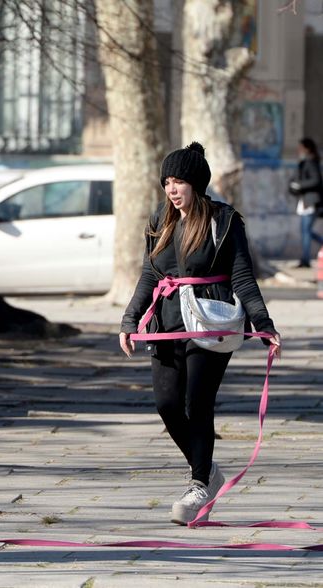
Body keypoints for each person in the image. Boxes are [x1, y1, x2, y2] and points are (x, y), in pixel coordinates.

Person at [118, 142, 281, 525]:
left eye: (179, 182)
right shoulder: (160, 219)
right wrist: (130, 320)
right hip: (167, 323)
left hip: (210, 321)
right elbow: (149, 274)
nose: (172, 190)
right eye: (168, 182)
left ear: (197, 183)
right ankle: (206, 469)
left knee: (197, 403)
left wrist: (263, 323)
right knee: (167, 404)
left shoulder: (224, 221)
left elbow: (242, 275)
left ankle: (197, 486)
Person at [289, 137, 323, 267]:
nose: (298, 150)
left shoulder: (311, 162)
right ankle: (305, 259)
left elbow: (316, 181)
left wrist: (300, 185)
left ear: (307, 148)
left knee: (306, 231)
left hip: (311, 202)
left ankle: (305, 260)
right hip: (305, 202)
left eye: (300, 147)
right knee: (306, 231)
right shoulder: (304, 162)